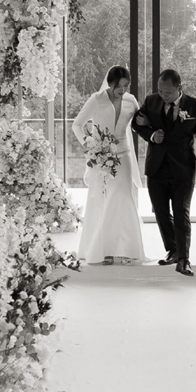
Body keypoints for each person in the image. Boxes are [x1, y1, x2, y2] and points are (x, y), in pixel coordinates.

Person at [132, 68, 196, 277]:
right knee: (160, 211)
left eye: (167, 92)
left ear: (179, 88)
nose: (163, 95)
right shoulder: (151, 101)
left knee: (181, 212)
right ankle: (173, 250)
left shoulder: (195, 106)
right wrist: (151, 135)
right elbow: (135, 123)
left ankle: (184, 260)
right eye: (160, 90)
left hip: (183, 169)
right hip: (156, 168)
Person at [71, 66, 145, 265]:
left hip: (124, 156)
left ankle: (127, 250)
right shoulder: (96, 99)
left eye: (126, 85)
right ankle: (103, 251)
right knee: (101, 200)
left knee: (123, 199)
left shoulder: (131, 101)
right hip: (100, 158)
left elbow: (139, 124)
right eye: (118, 86)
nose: (122, 90)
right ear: (110, 83)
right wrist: (88, 144)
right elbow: (77, 125)